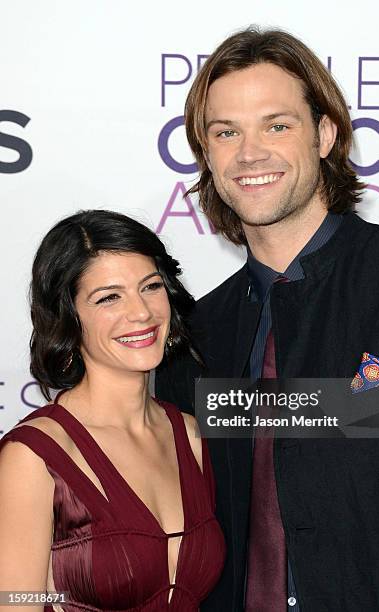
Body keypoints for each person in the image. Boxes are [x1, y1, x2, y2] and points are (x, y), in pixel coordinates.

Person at [155, 27, 379, 612]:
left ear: (324, 134)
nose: (249, 152)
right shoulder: (193, 336)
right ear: (207, 154)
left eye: (276, 125)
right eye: (225, 131)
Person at [0, 210, 225, 611]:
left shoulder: (190, 435)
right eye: (109, 297)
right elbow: (15, 601)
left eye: (151, 286)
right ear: (68, 317)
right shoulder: (32, 457)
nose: (141, 312)